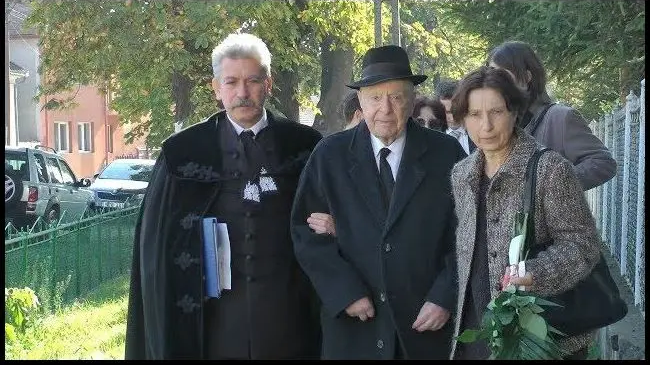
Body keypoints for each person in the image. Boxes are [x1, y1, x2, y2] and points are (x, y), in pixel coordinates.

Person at [124, 32, 323, 360]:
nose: (242, 93)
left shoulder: (305, 146)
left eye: (253, 81)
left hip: (290, 317)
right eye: (231, 82)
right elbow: (155, 244)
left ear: (268, 84)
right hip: (212, 322)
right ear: (216, 89)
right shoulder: (182, 152)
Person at [291, 45, 466, 360]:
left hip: (425, 327)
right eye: (375, 98)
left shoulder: (447, 155)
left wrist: (445, 296)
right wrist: (344, 292)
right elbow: (305, 234)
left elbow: (468, 233)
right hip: (356, 327)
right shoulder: (329, 156)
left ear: (412, 100)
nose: (385, 109)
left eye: (396, 97)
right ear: (360, 101)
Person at [448, 66, 601, 360]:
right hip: (477, 332)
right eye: (474, 115)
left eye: (496, 112)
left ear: (515, 112)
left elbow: (582, 246)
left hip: (538, 338)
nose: (486, 126)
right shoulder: (461, 174)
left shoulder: (549, 169)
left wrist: (535, 272)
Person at [487, 40, 616, 190]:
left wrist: (552, 187)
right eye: (491, 73)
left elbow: (603, 163)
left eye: (502, 75)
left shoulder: (561, 117)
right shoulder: (495, 121)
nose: (494, 81)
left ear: (527, 77)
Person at [436, 78, 476, 154]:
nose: (452, 117)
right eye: (447, 112)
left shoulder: (477, 130)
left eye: (455, 110)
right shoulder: (433, 136)